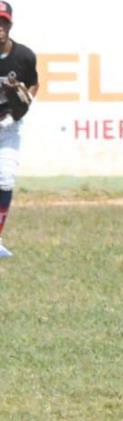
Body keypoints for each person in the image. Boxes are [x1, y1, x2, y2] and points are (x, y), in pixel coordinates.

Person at [0, 1, 38, 258]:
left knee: (5, 178)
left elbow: (34, 84)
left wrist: (25, 99)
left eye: (3, 22)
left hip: (8, 126)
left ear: (10, 25)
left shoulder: (24, 56)